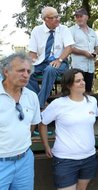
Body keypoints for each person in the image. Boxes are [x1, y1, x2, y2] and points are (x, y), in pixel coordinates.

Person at [38, 68, 98, 189]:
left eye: (83, 80)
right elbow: (42, 123)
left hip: (89, 157)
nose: (83, 82)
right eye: (78, 81)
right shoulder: (58, 103)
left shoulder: (92, 101)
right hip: (65, 160)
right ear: (68, 85)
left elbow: (90, 124)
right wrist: (46, 146)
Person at [0, 53, 41, 189]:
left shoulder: (32, 96)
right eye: (21, 70)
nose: (26, 75)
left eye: (28, 71)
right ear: (6, 71)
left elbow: (32, 125)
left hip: (25, 160)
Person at [27, 6, 75, 109]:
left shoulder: (64, 29)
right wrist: (29, 62)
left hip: (60, 62)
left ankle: (38, 105)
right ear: (46, 19)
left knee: (50, 69)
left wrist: (59, 60)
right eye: (54, 17)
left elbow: (69, 48)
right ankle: (41, 101)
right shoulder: (36, 30)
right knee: (25, 71)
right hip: (41, 62)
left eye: (58, 16)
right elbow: (32, 52)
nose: (58, 19)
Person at [70, 8, 98, 94]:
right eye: (77, 17)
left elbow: (97, 47)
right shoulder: (71, 30)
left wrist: (95, 53)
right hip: (78, 67)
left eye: (81, 16)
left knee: (88, 91)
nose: (78, 18)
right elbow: (70, 48)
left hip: (90, 67)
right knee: (78, 92)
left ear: (86, 17)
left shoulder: (92, 32)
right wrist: (84, 53)